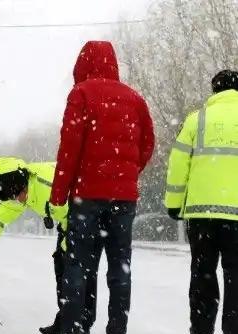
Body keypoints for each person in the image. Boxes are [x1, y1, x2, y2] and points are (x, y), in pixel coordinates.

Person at [47, 41, 155, 334]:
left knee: (78, 265)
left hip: (87, 196)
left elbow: (68, 150)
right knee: (120, 266)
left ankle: (72, 326)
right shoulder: (135, 99)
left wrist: (58, 197)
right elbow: (147, 144)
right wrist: (126, 174)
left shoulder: (81, 94)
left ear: (81, 65)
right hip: (124, 199)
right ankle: (117, 328)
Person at [0, 157, 98, 334]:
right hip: (69, 219)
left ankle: (80, 325)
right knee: (63, 269)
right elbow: (0, 218)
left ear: (20, 185)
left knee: (79, 274)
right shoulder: (16, 189)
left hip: (90, 214)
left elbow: (80, 216)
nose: (17, 201)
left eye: (16, 196)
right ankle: (66, 321)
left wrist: (68, 247)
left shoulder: (50, 186)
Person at [164, 69, 238, 334]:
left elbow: (178, 163)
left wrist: (174, 203)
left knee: (203, 276)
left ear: (214, 91)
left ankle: (201, 328)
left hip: (201, 215)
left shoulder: (197, 120)